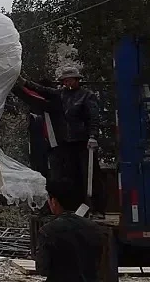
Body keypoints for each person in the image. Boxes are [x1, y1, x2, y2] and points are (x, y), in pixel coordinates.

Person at [15, 67, 103, 213]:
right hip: (66, 143)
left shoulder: (86, 96)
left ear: (77, 80)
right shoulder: (60, 95)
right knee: (71, 176)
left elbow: (93, 118)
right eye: (65, 80)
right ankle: (78, 207)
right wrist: (25, 83)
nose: (67, 83)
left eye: (70, 79)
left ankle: (97, 208)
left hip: (83, 142)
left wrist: (93, 136)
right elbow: (42, 90)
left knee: (90, 176)